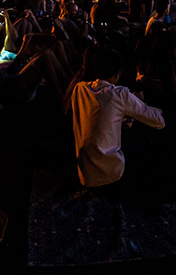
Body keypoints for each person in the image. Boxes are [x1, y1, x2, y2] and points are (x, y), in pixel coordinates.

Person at [70, 48, 168, 197]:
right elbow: (158, 122)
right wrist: (141, 102)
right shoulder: (119, 94)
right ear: (116, 75)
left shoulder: (80, 89)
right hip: (111, 173)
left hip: (84, 172)